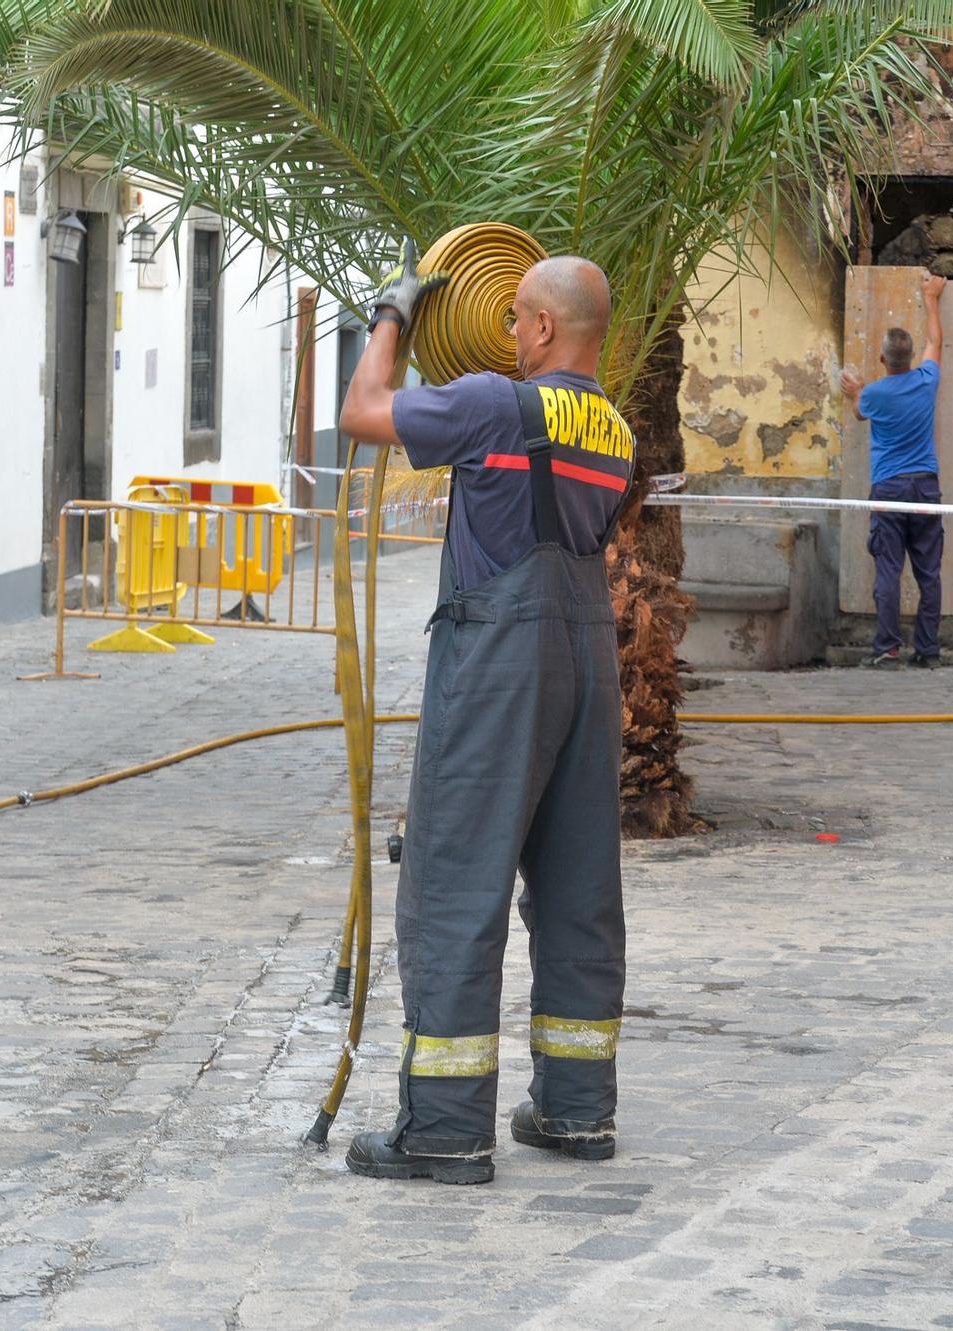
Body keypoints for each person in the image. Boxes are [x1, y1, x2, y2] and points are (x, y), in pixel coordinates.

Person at [334, 240, 636, 1186]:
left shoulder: (488, 404)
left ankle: (447, 1127)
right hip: (589, 662)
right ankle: (577, 1110)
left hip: (498, 665)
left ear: (542, 327)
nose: (506, 332)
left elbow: (361, 414)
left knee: (457, 875)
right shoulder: (617, 434)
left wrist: (391, 315)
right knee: (578, 881)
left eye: (512, 317)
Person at [841, 273, 947, 669]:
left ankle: (887, 649)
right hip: (925, 489)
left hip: (888, 491)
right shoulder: (926, 380)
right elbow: (937, 341)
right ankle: (929, 650)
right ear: (911, 356)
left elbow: (859, 411)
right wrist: (930, 296)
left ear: (884, 359)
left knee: (888, 570)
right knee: (929, 573)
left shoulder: (872, 395)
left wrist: (855, 391)